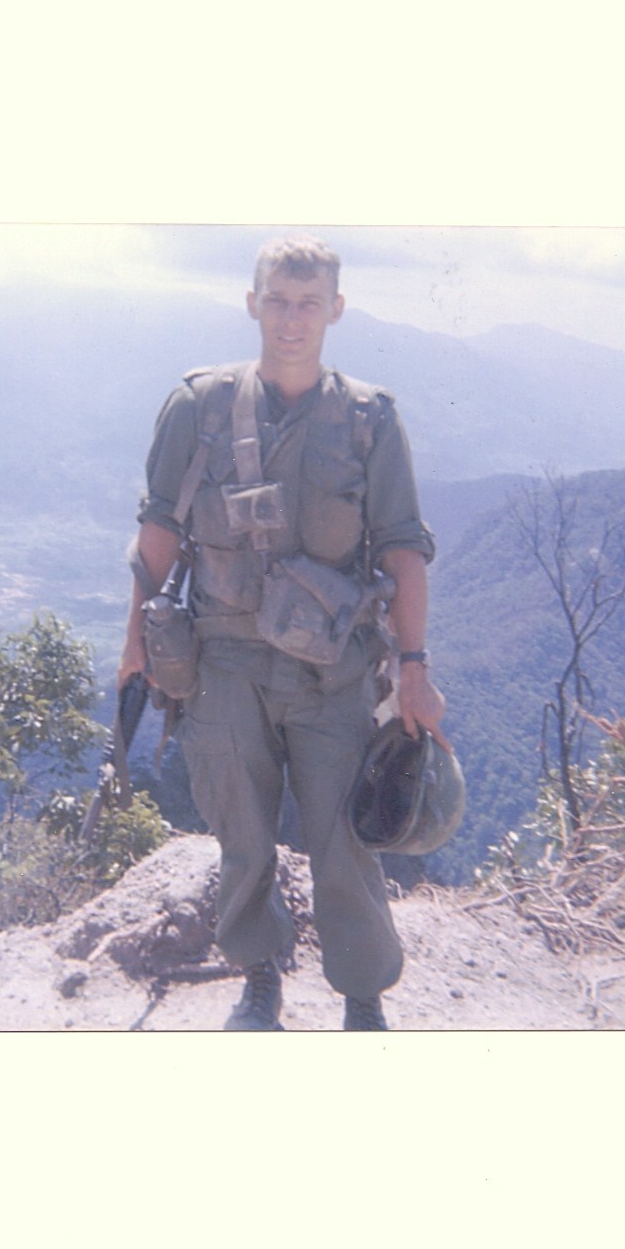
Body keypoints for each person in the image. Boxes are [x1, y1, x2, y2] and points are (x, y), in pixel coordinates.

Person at [118, 235, 448, 1031]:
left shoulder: (370, 420)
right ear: (252, 302)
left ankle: (361, 994)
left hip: (333, 671)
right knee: (241, 833)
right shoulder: (197, 407)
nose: (292, 319)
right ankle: (258, 974)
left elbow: (403, 547)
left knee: (345, 838)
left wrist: (413, 667)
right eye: (278, 300)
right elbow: (159, 532)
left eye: (309, 303)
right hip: (224, 661)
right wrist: (134, 639)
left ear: (335, 309)